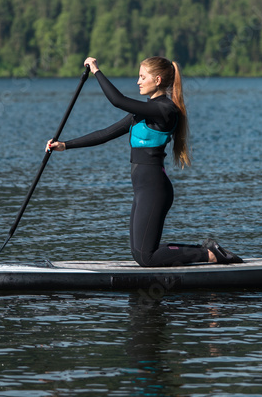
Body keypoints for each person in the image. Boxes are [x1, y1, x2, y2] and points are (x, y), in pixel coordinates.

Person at [47, 56, 243, 267]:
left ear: (157, 80)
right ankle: (206, 250)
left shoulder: (165, 110)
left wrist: (96, 71)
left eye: (142, 77)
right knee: (139, 253)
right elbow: (105, 133)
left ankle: (209, 255)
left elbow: (118, 100)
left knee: (146, 257)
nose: (138, 82)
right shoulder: (142, 113)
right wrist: (65, 145)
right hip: (143, 189)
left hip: (155, 188)